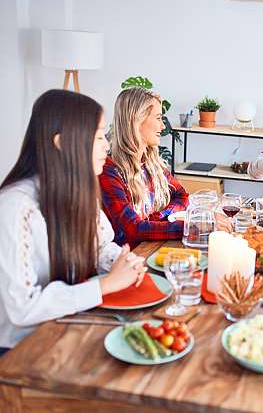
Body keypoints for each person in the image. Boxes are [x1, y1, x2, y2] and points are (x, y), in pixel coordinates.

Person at [0, 89, 146, 351]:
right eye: (99, 136)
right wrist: (106, 284)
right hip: (19, 350)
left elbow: (100, 247)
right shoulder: (14, 207)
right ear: (63, 142)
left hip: (68, 324)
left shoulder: (80, 189)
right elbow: (23, 309)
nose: (107, 145)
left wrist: (123, 263)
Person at [100, 87, 230, 248]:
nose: (162, 126)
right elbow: (132, 229)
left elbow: (182, 196)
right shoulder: (109, 170)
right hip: (130, 259)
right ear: (136, 119)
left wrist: (158, 217)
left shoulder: (150, 162)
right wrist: (195, 225)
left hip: (154, 247)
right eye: (158, 118)